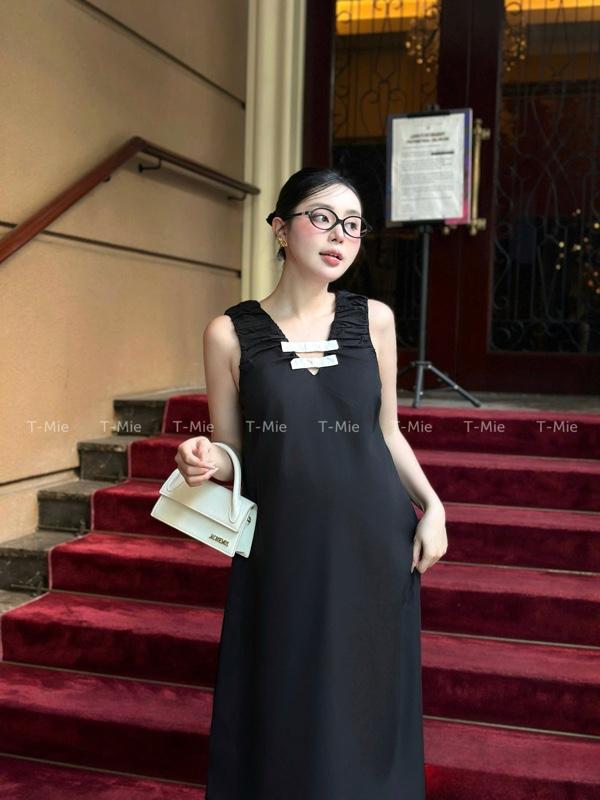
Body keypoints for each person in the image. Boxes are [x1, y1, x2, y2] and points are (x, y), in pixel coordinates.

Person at [175, 166, 448, 799]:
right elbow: (234, 451)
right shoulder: (228, 333)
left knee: (369, 706)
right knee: (284, 700)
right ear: (279, 228)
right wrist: (202, 458)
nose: (339, 236)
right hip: (283, 546)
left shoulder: (374, 321)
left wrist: (431, 507)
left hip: (374, 543)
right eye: (322, 218)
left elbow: (387, 432)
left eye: (353, 225)